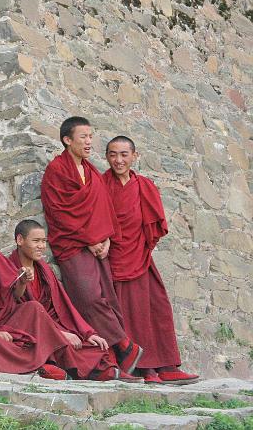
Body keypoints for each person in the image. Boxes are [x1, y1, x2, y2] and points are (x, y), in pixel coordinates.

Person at [0, 208, 123, 381]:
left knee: (33, 308)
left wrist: (22, 282)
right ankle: (30, 368)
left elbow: (14, 295)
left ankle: (49, 364)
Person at [40, 116, 143, 375]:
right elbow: (60, 212)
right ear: (67, 140)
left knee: (108, 299)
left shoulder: (92, 172)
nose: (89, 142)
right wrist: (91, 239)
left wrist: (106, 238)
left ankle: (112, 364)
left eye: (90, 136)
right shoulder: (57, 170)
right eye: (83, 137)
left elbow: (103, 207)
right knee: (88, 298)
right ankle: (122, 344)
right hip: (72, 245)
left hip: (98, 246)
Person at [103, 136, 199, 385]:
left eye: (124, 154)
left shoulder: (144, 185)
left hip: (141, 256)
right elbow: (95, 219)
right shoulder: (101, 184)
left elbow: (155, 225)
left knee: (157, 308)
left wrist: (141, 247)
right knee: (129, 312)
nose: (119, 160)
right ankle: (142, 369)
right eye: (113, 154)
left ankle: (165, 366)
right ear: (106, 157)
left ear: (134, 156)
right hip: (115, 259)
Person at [10, 220, 132, 370]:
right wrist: (59, 333)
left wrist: (86, 332)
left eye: (44, 241)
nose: (41, 246)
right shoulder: (8, 268)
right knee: (66, 346)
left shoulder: (44, 270)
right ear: (20, 240)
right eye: (36, 241)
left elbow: (64, 305)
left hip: (55, 326)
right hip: (33, 330)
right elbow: (16, 310)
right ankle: (96, 373)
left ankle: (104, 371)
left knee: (93, 345)